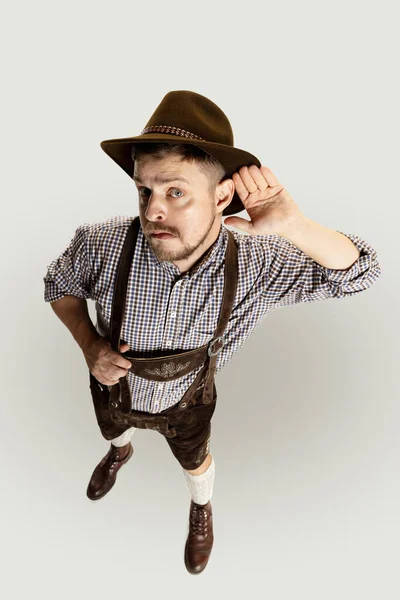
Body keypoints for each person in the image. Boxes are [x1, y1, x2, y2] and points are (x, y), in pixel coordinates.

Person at [43, 90, 381, 575]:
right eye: (145, 191)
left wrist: (295, 226)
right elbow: (60, 283)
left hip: (189, 402)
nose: (153, 210)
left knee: (194, 460)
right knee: (112, 431)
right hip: (111, 388)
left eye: (175, 191)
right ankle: (119, 453)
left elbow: (361, 272)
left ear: (222, 195)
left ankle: (201, 508)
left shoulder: (255, 263)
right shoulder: (101, 241)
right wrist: (88, 344)